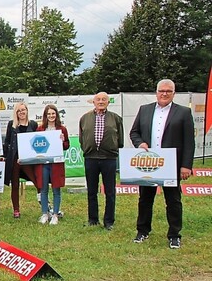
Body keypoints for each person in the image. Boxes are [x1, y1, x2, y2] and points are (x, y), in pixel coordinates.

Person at [130, 79, 194, 249]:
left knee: (173, 200)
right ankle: (142, 231)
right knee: (145, 199)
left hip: (171, 164)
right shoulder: (145, 110)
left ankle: (174, 235)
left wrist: (186, 165)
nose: (164, 93)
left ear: (174, 93)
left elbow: (189, 141)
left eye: (168, 91)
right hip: (149, 163)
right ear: (156, 92)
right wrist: (140, 143)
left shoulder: (183, 113)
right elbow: (134, 132)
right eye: (161, 90)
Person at [78, 92, 124, 230]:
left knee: (110, 191)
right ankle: (93, 219)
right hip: (90, 158)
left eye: (104, 99)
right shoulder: (84, 118)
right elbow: (82, 138)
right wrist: (87, 148)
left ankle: (109, 221)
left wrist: (113, 148)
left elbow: (120, 139)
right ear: (93, 102)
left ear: (108, 102)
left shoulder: (116, 118)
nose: (101, 102)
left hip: (109, 159)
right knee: (91, 191)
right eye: (98, 99)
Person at [2, 102, 40, 219]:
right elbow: (7, 141)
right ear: (16, 113)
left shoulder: (33, 124)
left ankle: (44, 203)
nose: (21, 112)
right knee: (15, 185)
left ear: (27, 111)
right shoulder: (11, 125)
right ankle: (16, 210)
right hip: (14, 159)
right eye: (19, 111)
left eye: (23, 110)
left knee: (37, 181)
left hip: (27, 159)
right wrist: (4, 155)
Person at [34, 104, 69, 225]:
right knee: (43, 189)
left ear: (56, 115)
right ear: (45, 115)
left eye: (53, 113)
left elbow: (66, 146)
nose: (51, 116)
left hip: (56, 163)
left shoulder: (62, 129)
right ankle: (44, 213)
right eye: (48, 114)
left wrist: (63, 140)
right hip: (43, 163)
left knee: (56, 189)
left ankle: (55, 214)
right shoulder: (40, 129)